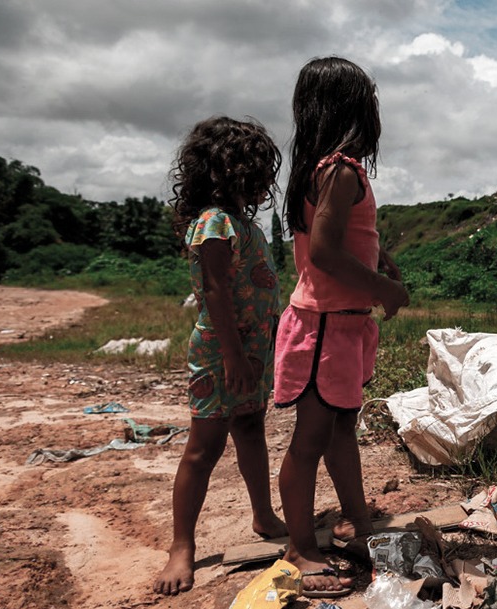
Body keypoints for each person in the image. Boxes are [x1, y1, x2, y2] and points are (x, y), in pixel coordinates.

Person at [275, 56, 410, 599]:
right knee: (309, 440)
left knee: (341, 428)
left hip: (340, 326)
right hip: (325, 327)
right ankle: (300, 546)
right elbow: (328, 255)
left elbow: (346, 243)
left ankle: (356, 516)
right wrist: (386, 290)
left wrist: (382, 266)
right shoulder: (339, 171)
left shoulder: (331, 170)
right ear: (353, 110)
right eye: (370, 101)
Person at [153, 116, 288, 595]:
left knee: (251, 429)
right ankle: (181, 547)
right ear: (229, 172)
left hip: (249, 349)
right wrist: (232, 355)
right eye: (257, 173)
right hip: (220, 350)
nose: (264, 183)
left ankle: (263, 515)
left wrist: (254, 351)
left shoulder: (243, 224)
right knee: (203, 448)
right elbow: (214, 291)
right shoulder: (214, 221)